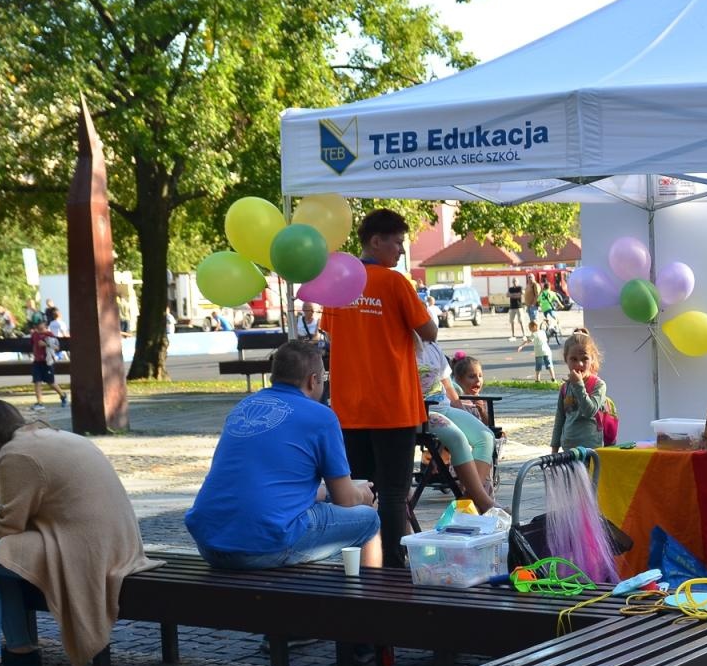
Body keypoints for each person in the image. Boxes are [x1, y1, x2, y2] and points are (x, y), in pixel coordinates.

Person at [0, 402, 158, 666]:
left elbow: (8, 524)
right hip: (117, 544)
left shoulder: (15, 454)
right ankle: (20, 655)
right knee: (0, 554)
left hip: (87, 550)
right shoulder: (56, 436)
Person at [186, 341, 381, 569]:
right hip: (265, 545)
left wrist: (326, 493)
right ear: (313, 380)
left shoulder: (243, 407)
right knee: (369, 518)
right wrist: (363, 495)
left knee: (308, 509)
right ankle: (371, 584)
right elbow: (345, 500)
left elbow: (271, 484)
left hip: (209, 543)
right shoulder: (322, 417)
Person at [322, 208, 437, 568]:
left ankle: (360, 563)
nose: (401, 250)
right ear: (376, 241)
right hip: (392, 405)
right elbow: (429, 332)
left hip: (350, 406)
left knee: (360, 488)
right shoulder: (394, 282)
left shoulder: (339, 281)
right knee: (393, 491)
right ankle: (392, 564)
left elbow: (330, 332)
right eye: (398, 242)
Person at [417, 338, 497, 511]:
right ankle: (483, 503)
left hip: (444, 407)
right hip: (420, 412)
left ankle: (469, 500)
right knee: (457, 438)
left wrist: (462, 412)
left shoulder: (433, 347)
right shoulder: (402, 347)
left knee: (486, 436)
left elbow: (448, 387)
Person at [552, 331, 613, 452]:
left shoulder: (599, 385)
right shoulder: (565, 387)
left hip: (591, 450)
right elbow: (560, 419)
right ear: (566, 359)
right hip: (568, 449)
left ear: (592, 359)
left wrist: (578, 385)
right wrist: (554, 449)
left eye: (584, 359)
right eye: (573, 359)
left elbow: (589, 411)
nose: (579, 364)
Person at [29, 316, 66, 412]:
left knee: (51, 382)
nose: (38, 326)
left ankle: (62, 395)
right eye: (36, 325)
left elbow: (57, 348)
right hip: (37, 362)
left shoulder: (49, 334)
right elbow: (33, 345)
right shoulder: (34, 335)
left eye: (40, 324)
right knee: (37, 381)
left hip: (47, 362)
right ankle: (39, 402)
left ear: (45, 324)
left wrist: (46, 344)